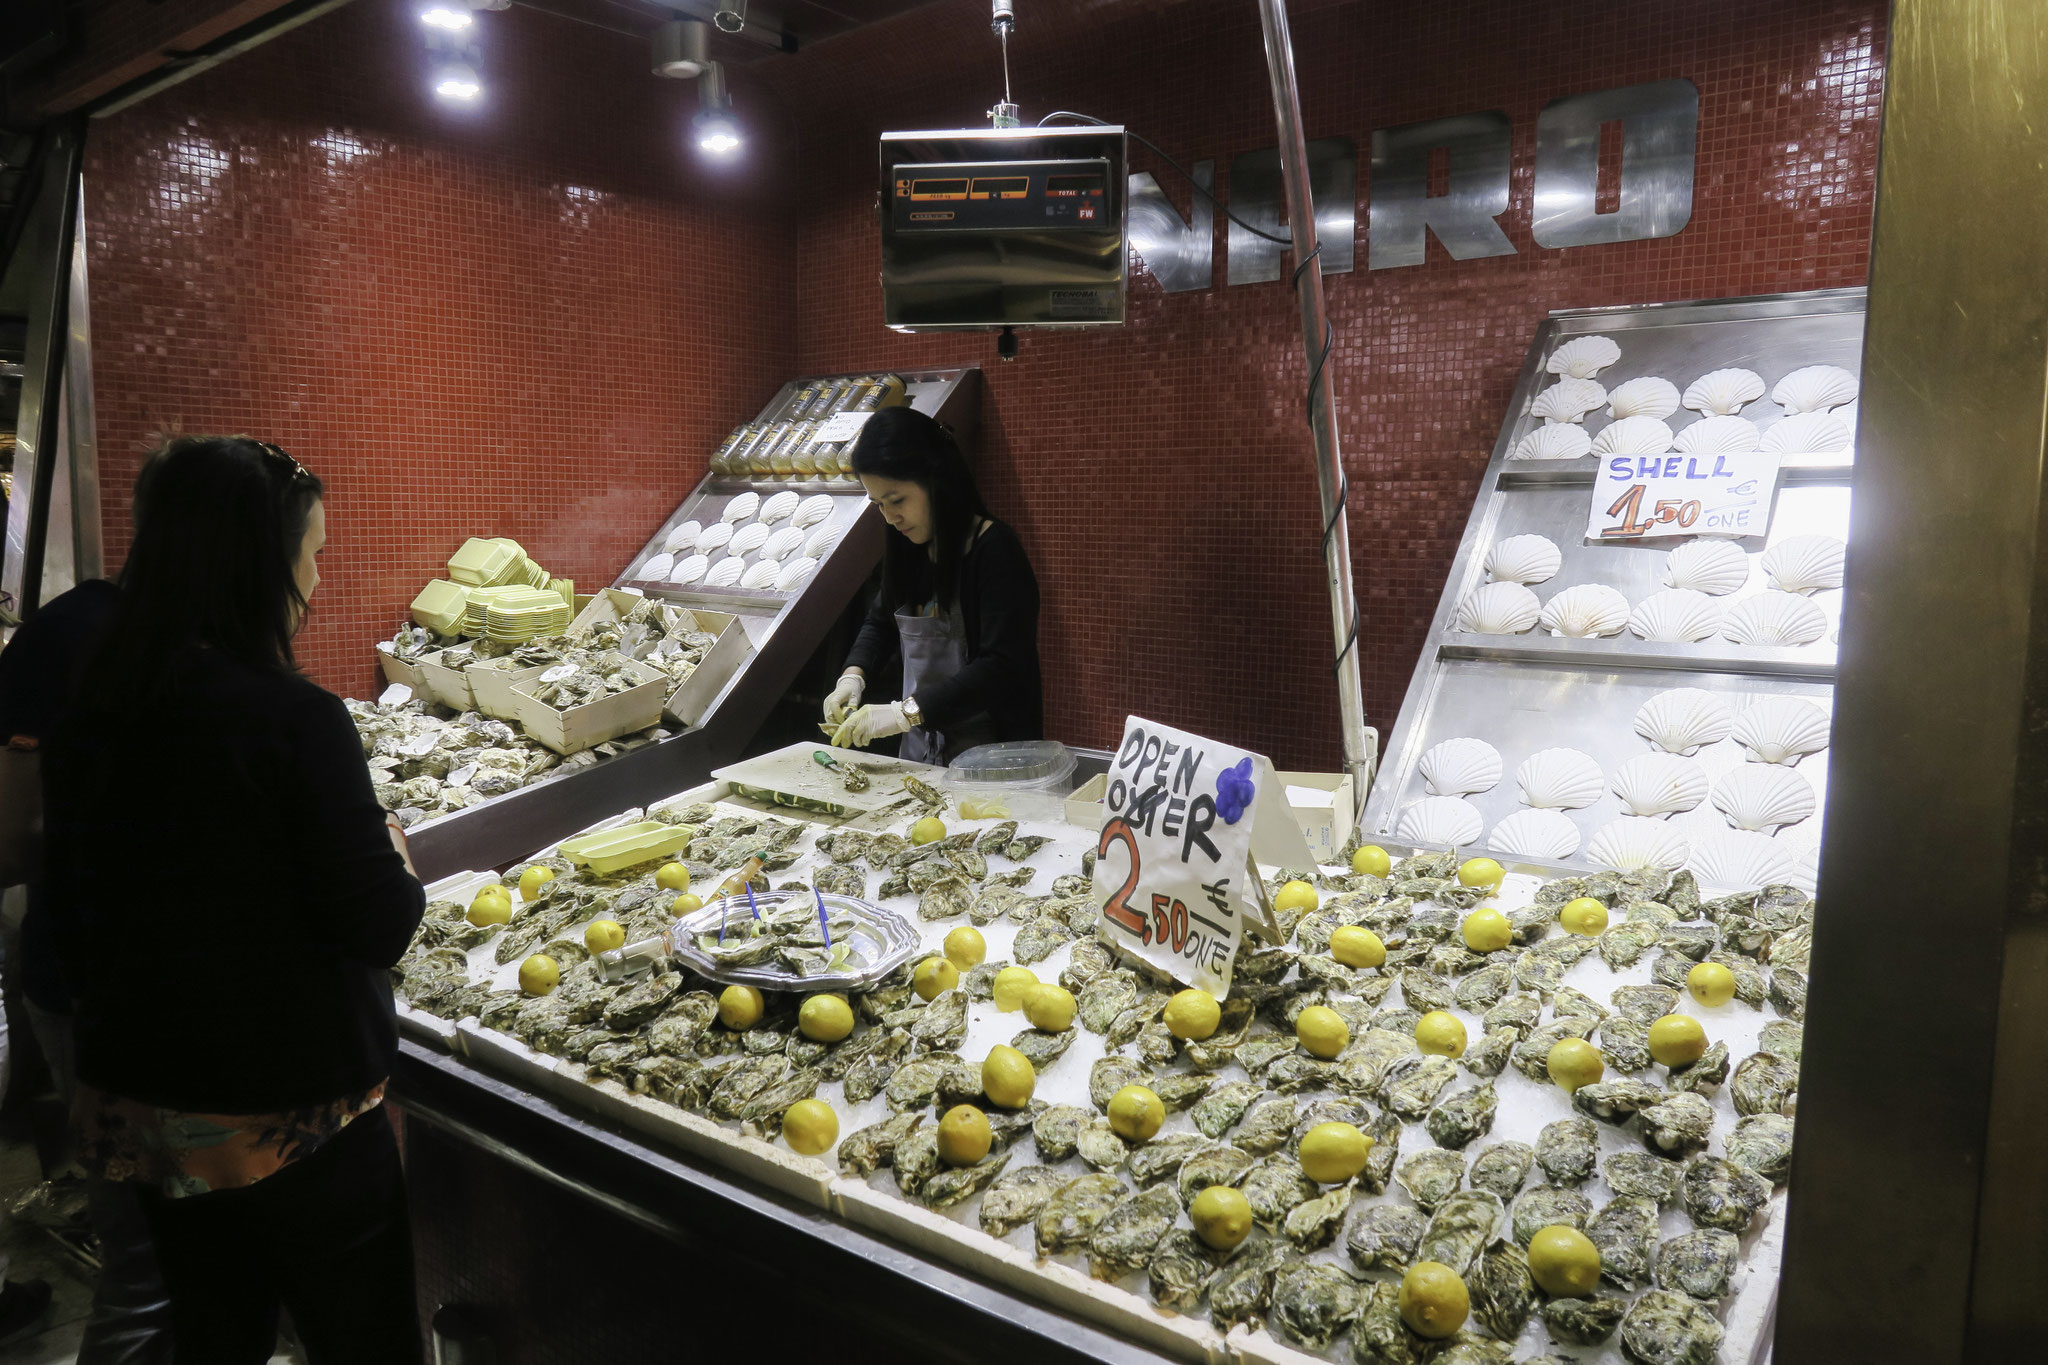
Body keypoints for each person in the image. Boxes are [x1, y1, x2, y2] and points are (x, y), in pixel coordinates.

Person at [42, 435, 426, 1363]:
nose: (318, 577)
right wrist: (396, 856)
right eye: (314, 551)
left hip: (155, 1125)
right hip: (292, 1126)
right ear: (263, 561)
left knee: (213, 1335)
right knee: (361, 1337)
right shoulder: (295, 718)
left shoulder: (95, 700)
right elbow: (379, 922)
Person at [0, 550, 173, 1360]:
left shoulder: (115, 631)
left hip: (118, 993)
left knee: (166, 1253)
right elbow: (13, 839)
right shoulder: (83, 639)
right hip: (98, 1001)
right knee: (146, 1259)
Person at [827, 405, 1043, 764]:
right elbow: (879, 622)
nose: (890, 517)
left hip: (997, 759)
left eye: (897, 500)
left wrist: (904, 714)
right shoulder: (908, 546)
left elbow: (1002, 666)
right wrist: (853, 677)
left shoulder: (995, 550)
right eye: (878, 504)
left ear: (936, 480)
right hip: (923, 753)